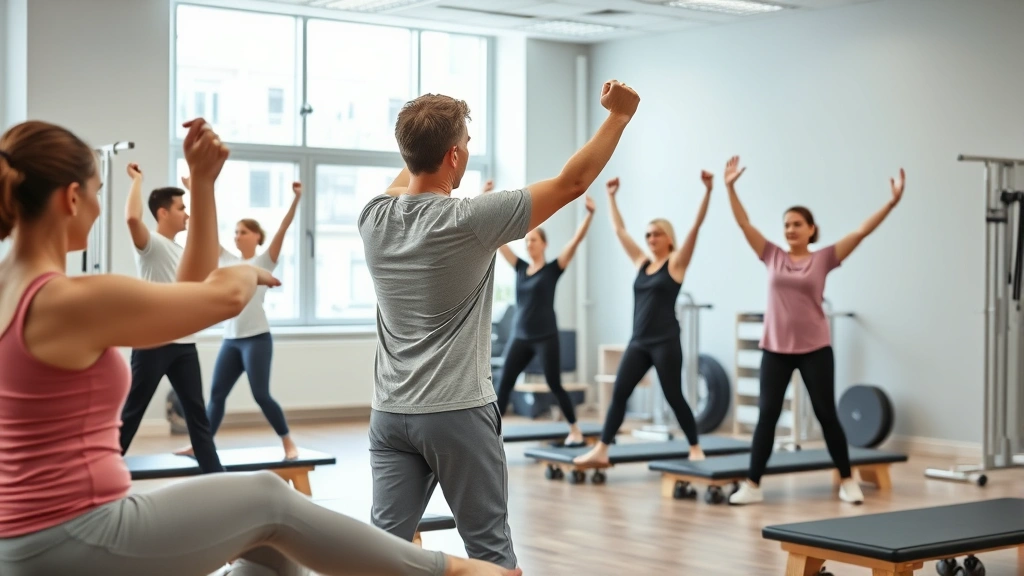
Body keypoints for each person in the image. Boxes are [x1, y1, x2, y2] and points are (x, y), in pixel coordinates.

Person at [0, 118, 520, 576]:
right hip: (75, 533)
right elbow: (217, 294)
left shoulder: (13, 291)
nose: (96, 207)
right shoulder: (69, 300)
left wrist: (202, 186)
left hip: (25, 537)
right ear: (71, 198)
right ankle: (448, 569)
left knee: (268, 550)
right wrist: (245, 271)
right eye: (95, 191)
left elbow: (187, 290)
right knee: (268, 499)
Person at [358, 80, 640, 569]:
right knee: (491, 552)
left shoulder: (374, 218)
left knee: (384, 552)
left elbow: (410, 169)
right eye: (465, 145)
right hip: (456, 412)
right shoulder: (472, 219)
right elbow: (573, 183)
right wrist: (619, 116)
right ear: (453, 157)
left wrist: (424, 127)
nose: (467, 153)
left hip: (389, 414)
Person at [722, 155, 905, 506]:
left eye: (796, 224)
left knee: (826, 415)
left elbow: (861, 231)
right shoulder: (772, 255)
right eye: (786, 224)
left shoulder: (823, 259)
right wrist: (730, 187)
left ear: (811, 229)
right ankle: (753, 485)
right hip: (775, 348)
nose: (790, 229)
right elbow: (744, 224)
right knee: (767, 417)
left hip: (814, 348)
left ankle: (847, 480)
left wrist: (891, 203)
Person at [574, 172, 712, 466]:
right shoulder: (642, 262)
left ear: (669, 238)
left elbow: (696, 228)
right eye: (648, 234)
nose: (650, 238)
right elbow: (619, 230)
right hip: (639, 341)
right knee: (620, 393)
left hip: (665, 341)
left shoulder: (675, 265)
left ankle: (695, 446)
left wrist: (708, 191)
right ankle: (602, 449)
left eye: (656, 234)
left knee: (674, 396)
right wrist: (611, 197)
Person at [175, 181, 303, 461]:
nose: (236, 236)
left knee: (261, 395)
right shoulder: (227, 259)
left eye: (242, 232)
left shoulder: (264, 261)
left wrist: (296, 199)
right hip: (231, 340)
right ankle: (201, 446)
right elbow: (203, 228)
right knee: (216, 395)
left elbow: (283, 228)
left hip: (257, 338)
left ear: (256, 236)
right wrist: (196, 190)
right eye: (234, 232)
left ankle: (287, 443)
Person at [120, 161, 223, 474]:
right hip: (153, 344)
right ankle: (100, 474)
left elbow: (205, 233)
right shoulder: (151, 246)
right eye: (181, 208)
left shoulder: (182, 251)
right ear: (163, 212)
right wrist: (137, 179)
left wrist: (198, 189)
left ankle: (216, 479)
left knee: (197, 417)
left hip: (183, 345)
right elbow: (131, 218)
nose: (187, 214)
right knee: (132, 414)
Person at [489, 179, 596, 446]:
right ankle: (491, 436)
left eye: (534, 240)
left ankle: (574, 429)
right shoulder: (521, 268)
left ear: (544, 244)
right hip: (521, 336)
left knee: (554, 383)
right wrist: (487, 197)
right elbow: (499, 241)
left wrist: (589, 216)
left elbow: (575, 242)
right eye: (527, 241)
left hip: (546, 336)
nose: (529, 244)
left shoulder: (553, 269)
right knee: (504, 384)